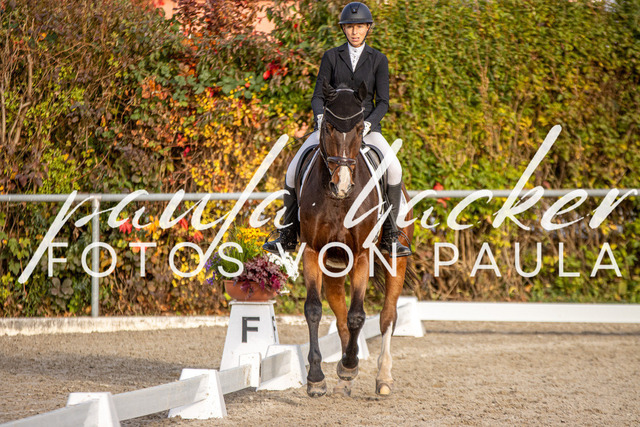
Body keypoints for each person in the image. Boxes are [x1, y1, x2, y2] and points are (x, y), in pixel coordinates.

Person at [263, 1, 411, 257]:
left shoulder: (378, 60)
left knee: (395, 169)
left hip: (364, 129)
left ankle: (390, 235)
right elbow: (318, 96)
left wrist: (368, 124)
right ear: (344, 29)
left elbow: (383, 102)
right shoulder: (331, 56)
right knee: (292, 169)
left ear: (368, 28)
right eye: (350, 27)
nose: (355, 31)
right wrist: (321, 119)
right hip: (331, 129)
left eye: (360, 27)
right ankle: (287, 234)